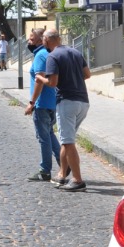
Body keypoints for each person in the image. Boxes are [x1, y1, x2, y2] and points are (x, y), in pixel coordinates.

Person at [39, 28, 91, 191]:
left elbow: (52, 82)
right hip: (83, 101)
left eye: (43, 40)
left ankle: (77, 180)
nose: (42, 42)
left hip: (67, 102)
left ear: (47, 40)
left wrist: (40, 78)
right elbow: (87, 74)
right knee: (66, 139)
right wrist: (72, 79)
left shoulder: (52, 56)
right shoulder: (75, 52)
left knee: (68, 142)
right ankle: (62, 175)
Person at [21, 28, 58, 182]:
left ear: (39, 40)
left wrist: (31, 103)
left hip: (42, 103)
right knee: (49, 134)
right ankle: (65, 163)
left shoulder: (40, 55)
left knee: (44, 138)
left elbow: (39, 80)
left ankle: (45, 171)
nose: (28, 42)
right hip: (51, 102)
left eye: (31, 39)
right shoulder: (47, 54)